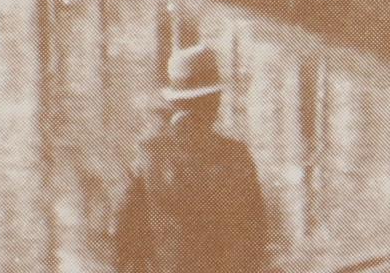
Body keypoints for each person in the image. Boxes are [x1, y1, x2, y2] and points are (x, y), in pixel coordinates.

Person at [110, 43, 271, 273]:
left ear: (175, 103)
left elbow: (123, 232)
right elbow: (255, 236)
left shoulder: (148, 154)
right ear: (214, 102)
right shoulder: (235, 156)